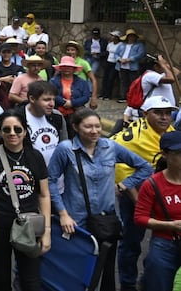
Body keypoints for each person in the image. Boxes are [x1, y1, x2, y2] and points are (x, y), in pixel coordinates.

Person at [48, 108, 152, 291]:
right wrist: (62, 213)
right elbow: (50, 180)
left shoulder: (110, 146)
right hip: (76, 221)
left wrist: (123, 185)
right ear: (76, 127)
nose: (94, 131)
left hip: (106, 221)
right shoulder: (66, 149)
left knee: (105, 270)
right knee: (76, 270)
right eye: (88, 127)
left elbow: (144, 167)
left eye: (98, 126)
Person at [0, 111, 52, 291]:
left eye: (17, 129)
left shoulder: (35, 157)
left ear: (25, 131)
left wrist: (47, 231)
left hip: (29, 225)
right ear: (0, 132)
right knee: (1, 276)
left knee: (31, 279)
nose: (12, 133)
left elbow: (44, 194)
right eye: (7, 129)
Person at [111, 95, 177, 291]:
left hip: (163, 194)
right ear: (145, 114)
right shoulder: (132, 139)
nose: (165, 118)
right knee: (132, 242)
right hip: (135, 194)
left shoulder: (170, 132)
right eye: (158, 113)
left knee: (164, 239)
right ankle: (128, 283)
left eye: (168, 113)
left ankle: (150, 275)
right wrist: (140, 205)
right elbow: (121, 172)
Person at [134, 130, 181, 291]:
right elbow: (140, 218)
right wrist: (171, 226)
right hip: (165, 244)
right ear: (165, 154)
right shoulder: (152, 184)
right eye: (178, 153)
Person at [19, 81, 68, 165]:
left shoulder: (57, 116)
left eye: (53, 99)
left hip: (57, 174)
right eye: (46, 100)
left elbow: (65, 145)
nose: (52, 104)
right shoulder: (18, 118)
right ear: (32, 99)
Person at [49, 56, 91, 120]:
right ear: (60, 68)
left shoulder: (82, 82)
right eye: (64, 66)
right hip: (57, 112)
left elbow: (86, 97)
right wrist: (64, 102)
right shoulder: (53, 81)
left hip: (76, 113)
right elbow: (52, 94)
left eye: (69, 67)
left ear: (74, 69)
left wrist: (72, 103)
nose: (66, 68)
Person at [115, 28, 146, 103]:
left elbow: (141, 54)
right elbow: (116, 53)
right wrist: (120, 59)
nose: (131, 38)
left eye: (132, 36)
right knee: (123, 82)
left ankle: (134, 97)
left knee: (134, 82)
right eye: (129, 36)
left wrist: (130, 59)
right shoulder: (122, 45)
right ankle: (123, 97)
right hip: (122, 66)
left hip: (133, 67)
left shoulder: (139, 45)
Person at [101, 30, 122, 100]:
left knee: (111, 79)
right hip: (108, 62)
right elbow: (107, 53)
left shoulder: (121, 45)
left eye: (113, 36)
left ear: (117, 37)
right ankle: (103, 94)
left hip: (115, 63)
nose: (111, 37)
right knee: (105, 78)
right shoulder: (110, 44)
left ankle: (108, 95)